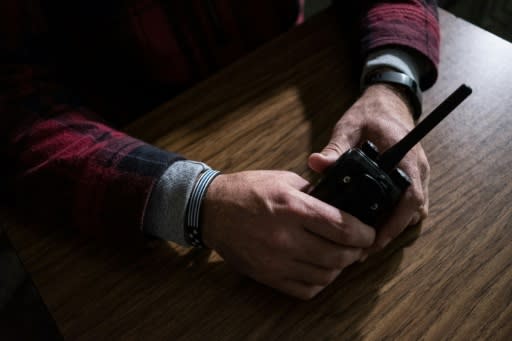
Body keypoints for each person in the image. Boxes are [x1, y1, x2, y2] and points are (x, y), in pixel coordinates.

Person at [1, 0, 439, 299]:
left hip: (291, 71)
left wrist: (391, 85)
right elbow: (14, 105)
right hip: (111, 169)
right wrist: (197, 202)